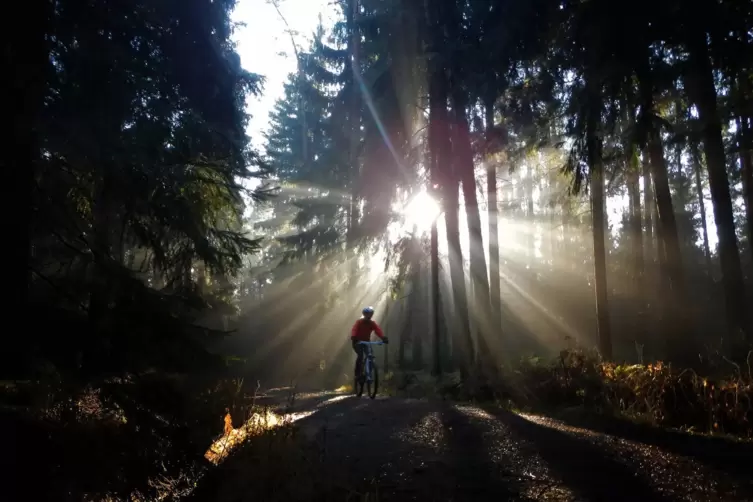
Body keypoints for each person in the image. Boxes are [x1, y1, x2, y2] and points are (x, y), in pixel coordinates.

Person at [350, 306, 388, 379]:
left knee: (370, 356)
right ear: (364, 314)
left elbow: (377, 330)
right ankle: (357, 373)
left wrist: (383, 337)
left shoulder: (372, 323)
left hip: (366, 342)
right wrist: (353, 336)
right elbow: (354, 329)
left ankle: (369, 373)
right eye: (367, 314)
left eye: (370, 314)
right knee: (360, 356)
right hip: (357, 342)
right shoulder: (359, 322)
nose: (369, 315)